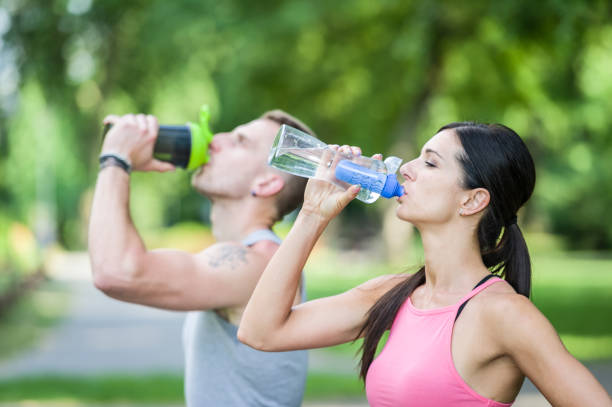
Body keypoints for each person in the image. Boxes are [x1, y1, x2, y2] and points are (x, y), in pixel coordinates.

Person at [238, 122, 612, 406]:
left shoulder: (502, 313)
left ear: (472, 201)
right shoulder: (392, 294)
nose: (406, 169)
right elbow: (261, 332)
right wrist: (312, 215)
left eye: (430, 163)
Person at [88, 110, 315, 406]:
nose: (215, 140)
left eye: (239, 141)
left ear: (266, 183)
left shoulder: (258, 265)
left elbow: (116, 272)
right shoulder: (257, 258)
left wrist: (116, 159)